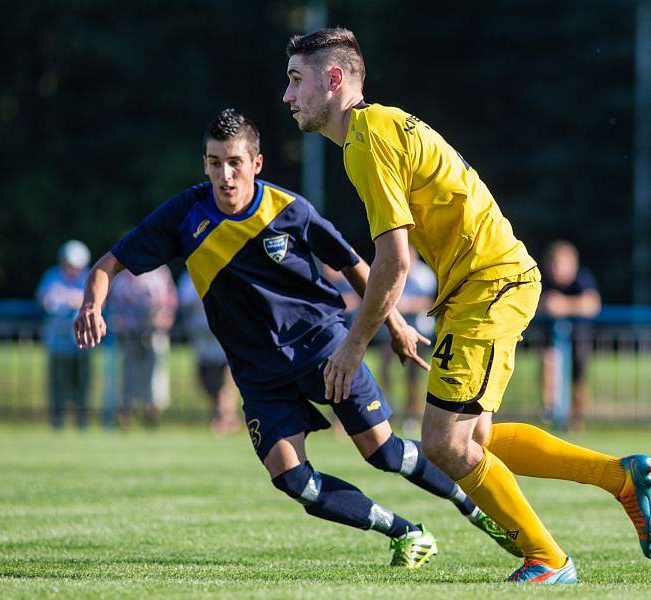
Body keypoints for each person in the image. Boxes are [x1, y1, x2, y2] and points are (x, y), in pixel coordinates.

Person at [282, 28, 651, 583]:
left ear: (334, 79)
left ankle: (549, 560)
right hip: (489, 285)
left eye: (296, 80)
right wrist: (392, 324)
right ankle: (620, 478)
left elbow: (394, 260)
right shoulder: (381, 126)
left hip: (488, 286)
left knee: (443, 443)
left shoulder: (368, 140)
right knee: (476, 438)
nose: (288, 96)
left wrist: (353, 344)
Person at [74, 108, 521, 568]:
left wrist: (395, 323)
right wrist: (92, 304)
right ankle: (406, 532)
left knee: (383, 452)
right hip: (258, 373)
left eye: (234, 163)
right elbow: (109, 263)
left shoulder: (289, 210)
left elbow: (354, 264)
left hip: (322, 348)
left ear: (257, 163)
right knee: (293, 481)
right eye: (213, 163)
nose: (224, 175)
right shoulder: (186, 215)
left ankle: (474, 507)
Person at [540, 240, 602, 430]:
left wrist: (563, 305)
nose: (556, 269)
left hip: (580, 336)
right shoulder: (542, 279)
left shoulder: (582, 278)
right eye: (553, 264)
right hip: (552, 336)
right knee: (548, 362)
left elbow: (592, 304)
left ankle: (577, 419)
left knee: (579, 378)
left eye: (561, 264)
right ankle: (550, 411)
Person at [106, 265, 177, 427]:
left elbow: (171, 300)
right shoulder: (122, 275)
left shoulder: (160, 272)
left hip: (155, 332)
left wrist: (165, 319)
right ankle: (126, 413)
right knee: (128, 374)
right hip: (129, 334)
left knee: (156, 374)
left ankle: (152, 413)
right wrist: (119, 322)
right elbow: (114, 305)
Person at [377, 248, 437, 437]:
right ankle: (389, 404)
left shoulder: (424, 275)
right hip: (395, 330)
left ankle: (412, 414)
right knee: (385, 366)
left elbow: (430, 302)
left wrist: (407, 305)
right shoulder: (394, 272)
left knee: (413, 377)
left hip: (419, 332)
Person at [176, 269, 241, 436]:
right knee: (207, 382)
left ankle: (224, 418)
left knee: (227, 379)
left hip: (223, 334)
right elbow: (184, 302)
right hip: (202, 339)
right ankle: (225, 416)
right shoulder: (189, 277)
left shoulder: (223, 269)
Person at [36, 240, 92, 429]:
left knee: (81, 384)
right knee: (58, 384)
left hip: (82, 342)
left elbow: (96, 302)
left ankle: (82, 421)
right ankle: (57, 420)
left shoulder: (88, 277)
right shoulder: (52, 276)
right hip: (58, 341)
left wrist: (68, 299)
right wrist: (74, 299)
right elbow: (46, 300)